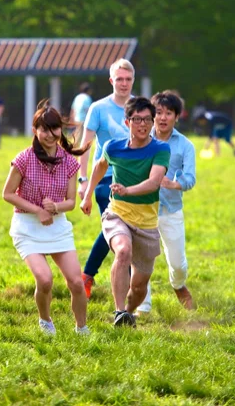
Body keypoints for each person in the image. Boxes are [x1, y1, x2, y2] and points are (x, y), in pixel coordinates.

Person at [80, 96, 169, 328]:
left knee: (139, 287)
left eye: (148, 119)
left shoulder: (160, 149)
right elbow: (100, 166)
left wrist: (127, 190)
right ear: (127, 122)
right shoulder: (113, 147)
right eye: (137, 119)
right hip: (117, 213)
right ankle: (119, 311)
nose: (143, 124)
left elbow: (154, 182)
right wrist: (88, 193)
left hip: (147, 222)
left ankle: (129, 311)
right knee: (122, 251)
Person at [2, 101, 89, 335]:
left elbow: (71, 202)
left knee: (77, 282)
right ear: (35, 130)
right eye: (44, 129)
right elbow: (7, 194)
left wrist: (55, 207)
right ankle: (45, 320)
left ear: (60, 130)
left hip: (57, 226)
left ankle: (82, 328)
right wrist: (38, 210)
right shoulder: (24, 158)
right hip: (27, 226)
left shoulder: (69, 162)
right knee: (45, 279)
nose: (50, 135)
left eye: (54, 129)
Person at [76, 59, 133, 299]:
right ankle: (127, 289)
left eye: (128, 79)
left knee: (118, 230)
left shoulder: (139, 108)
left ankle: (88, 275)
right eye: (119, 79)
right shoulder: (98, 108)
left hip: (133, 179)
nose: (123, 83)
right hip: (104, 179)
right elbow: (85, 146)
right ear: (111, 81)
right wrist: (83, 180)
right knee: (118, 228)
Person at [142, 91, 196, 313]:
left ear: (177, 116)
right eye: (159, 113)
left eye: (169, 113)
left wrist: (174, 184)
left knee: (178, 264)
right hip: (143, 208)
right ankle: (141, 305)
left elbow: (190, 178)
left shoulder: (185, 145)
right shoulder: (141, 139)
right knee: (142, 259)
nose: (163, 118)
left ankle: (178, 284)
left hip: (171, 209)